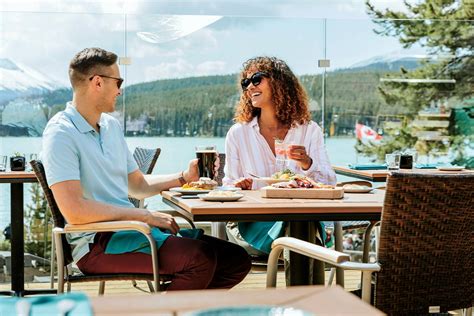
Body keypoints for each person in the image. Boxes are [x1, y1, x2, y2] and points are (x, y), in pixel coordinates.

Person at [42, 47, 250, 291]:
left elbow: (137, 186)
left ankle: (176, 304)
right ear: (97, 82)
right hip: (98, 243)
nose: (120, 90)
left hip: (132, 231)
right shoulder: (61, 133)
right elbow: (75, 211)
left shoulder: (109, 126)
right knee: (199, 259)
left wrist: (184, 177)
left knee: (235, 260)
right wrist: (144, 216)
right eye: (118, 81)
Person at [223, 56, 337, 255]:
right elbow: (227, 187)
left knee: (298, 225)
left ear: (279, 82)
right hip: (253, 222)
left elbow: (329, 183)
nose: (249, 87)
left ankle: (300, 273)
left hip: (302, 218)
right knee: (301, 237)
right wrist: (238, 186)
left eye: (256, 79)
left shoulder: (309, 130)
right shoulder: (238, 133)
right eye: (246, 82)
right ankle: (309, 278)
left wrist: (307, 163)